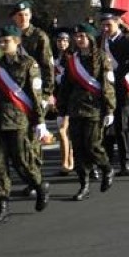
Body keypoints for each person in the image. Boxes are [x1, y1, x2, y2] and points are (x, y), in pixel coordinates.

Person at [0, 25, 50, 225]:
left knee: (23, 162)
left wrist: (40, 122)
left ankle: (39, 186)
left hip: (20, 121)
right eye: (1, 41)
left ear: (17, 41)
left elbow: (35, 95)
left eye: (7, 41)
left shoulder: (30, 64)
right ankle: (2, 206)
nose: (3, 44)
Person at [57, 23, 117, 200]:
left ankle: (107, 168)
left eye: (83, 36)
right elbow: (65, 88)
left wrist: (109, 110)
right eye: (77, 37)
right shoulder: (72, 60)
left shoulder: (101, 58)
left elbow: (108, 85)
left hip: (94, 108)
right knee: (78, 148)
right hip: (75, 109)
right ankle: (84, 184)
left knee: (92, 145)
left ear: (90, 38)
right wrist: (61, 112)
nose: (79, 39)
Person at [10, 0, 54, 197]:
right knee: (22, 138)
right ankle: (31, 177)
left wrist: (47, 93)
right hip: (16, 93)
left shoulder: (39, 36)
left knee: (34, 136)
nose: (23, 18)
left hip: (34, 94)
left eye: (26, 14)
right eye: (19, 15)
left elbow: (47, 67)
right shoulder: (10, 36)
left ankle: (37, 179)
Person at [100, 8, 129, 175]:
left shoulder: (127, 43)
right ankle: (107, 162)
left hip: (122, 90)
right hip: (104, 91)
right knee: (106, 127)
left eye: (108, 25)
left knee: (122, 128)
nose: (105, 29)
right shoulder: (100, 42)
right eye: (103, 25)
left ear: (117, 23)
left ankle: (127, 162)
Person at [52, 27, 74, 175]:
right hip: (58, 99)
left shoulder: (72, 57)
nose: (62, 43)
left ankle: (67, 162)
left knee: (63, 131)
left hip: (70, 98)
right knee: (63, 133)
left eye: (65, 40)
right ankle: (67, 161)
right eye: (59, 40)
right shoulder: (53, 58)